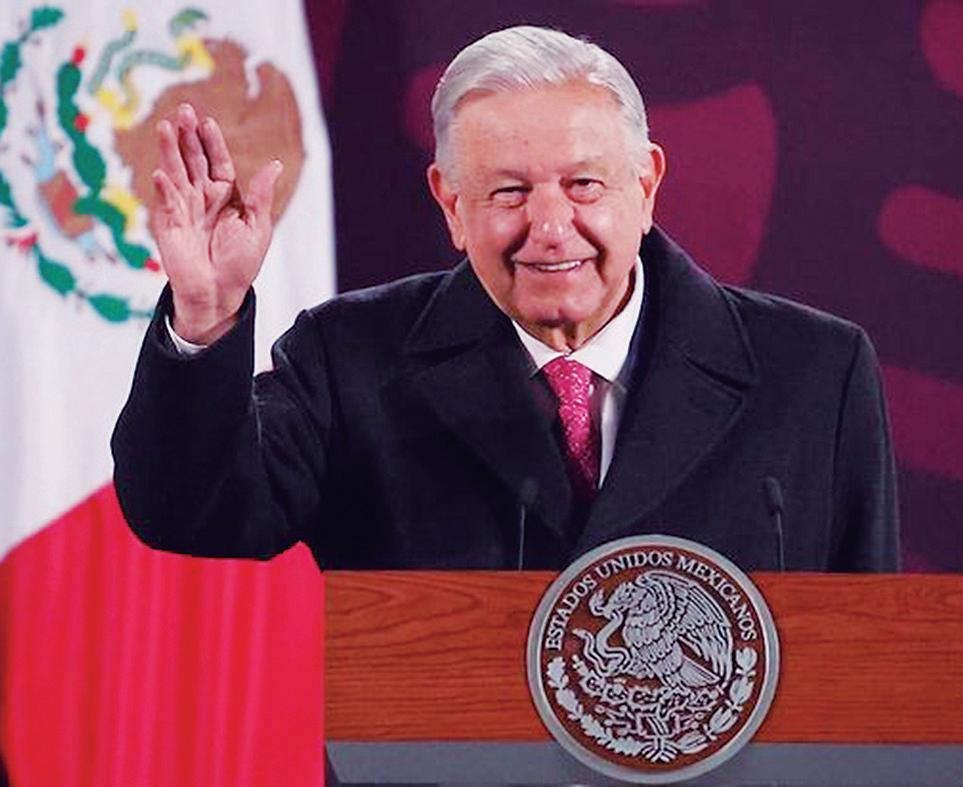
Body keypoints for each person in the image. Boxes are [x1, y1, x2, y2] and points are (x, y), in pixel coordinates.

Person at [112, 26, 899, 572]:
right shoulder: (350, 359)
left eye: (582, 184)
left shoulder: (813, 374)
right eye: (508, 192)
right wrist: (205, 317)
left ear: (646, 184)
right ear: (451, 204)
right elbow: (194, 512)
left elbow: (873, 656)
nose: (549, 228)